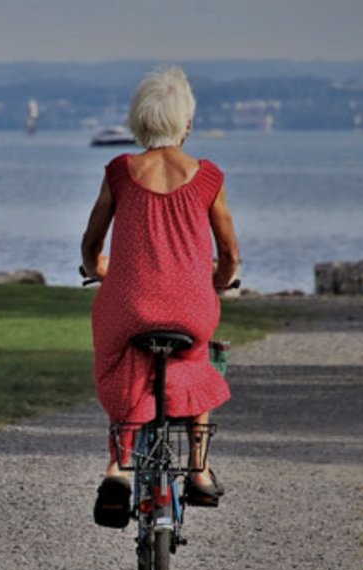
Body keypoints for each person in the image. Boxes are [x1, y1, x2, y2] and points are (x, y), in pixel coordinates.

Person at [81, 66, 241, 520]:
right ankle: (199, 469)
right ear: (186, 123)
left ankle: (119, 467)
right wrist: (221, 279)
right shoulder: (209, 176)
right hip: (189, 310)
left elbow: (92, 241)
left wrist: (98, 267)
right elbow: (229, 251)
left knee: (122, 357)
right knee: (195, 360)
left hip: (129, 305)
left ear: (139, 120)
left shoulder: (120, 171)